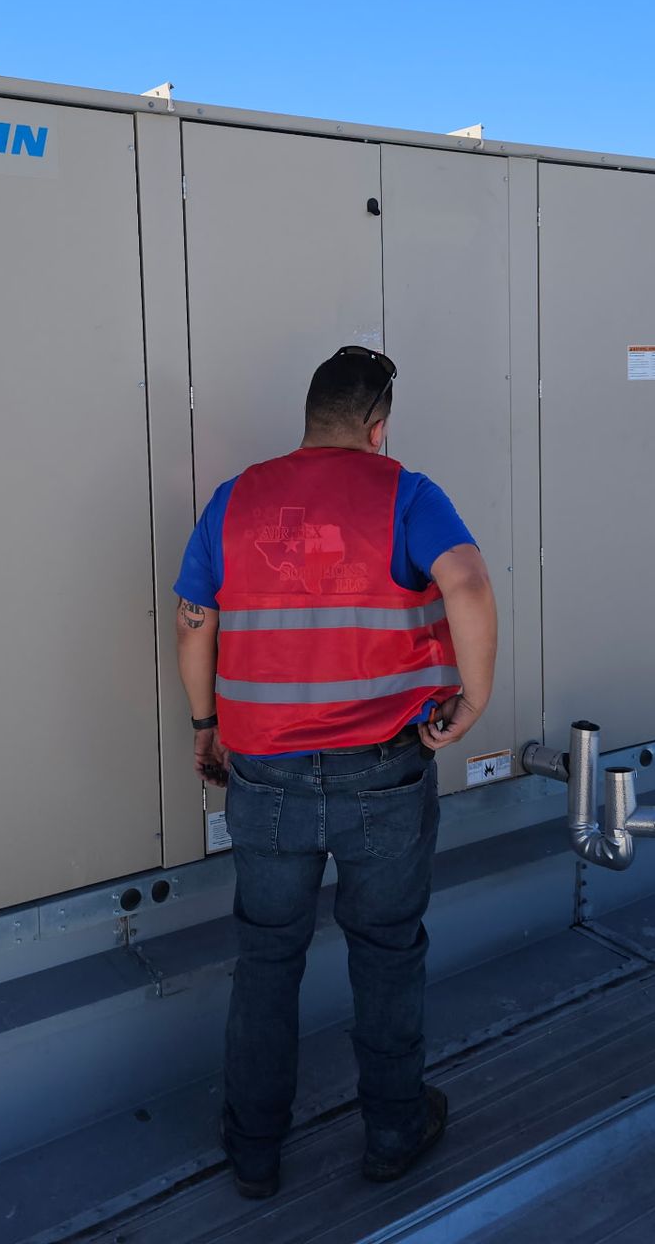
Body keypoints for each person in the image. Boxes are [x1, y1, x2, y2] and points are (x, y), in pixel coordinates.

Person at [172, 345, 498, 1200]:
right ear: (378, 426)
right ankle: (392, 1131)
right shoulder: (407, 493)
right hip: (383, 772)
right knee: (387, 951)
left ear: (311, 415)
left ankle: (254, 1148)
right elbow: (464, 580)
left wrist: (207, 725)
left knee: (267, 959)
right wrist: (474, 700)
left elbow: (193, 621)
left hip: (264, 776)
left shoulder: (236, 498)